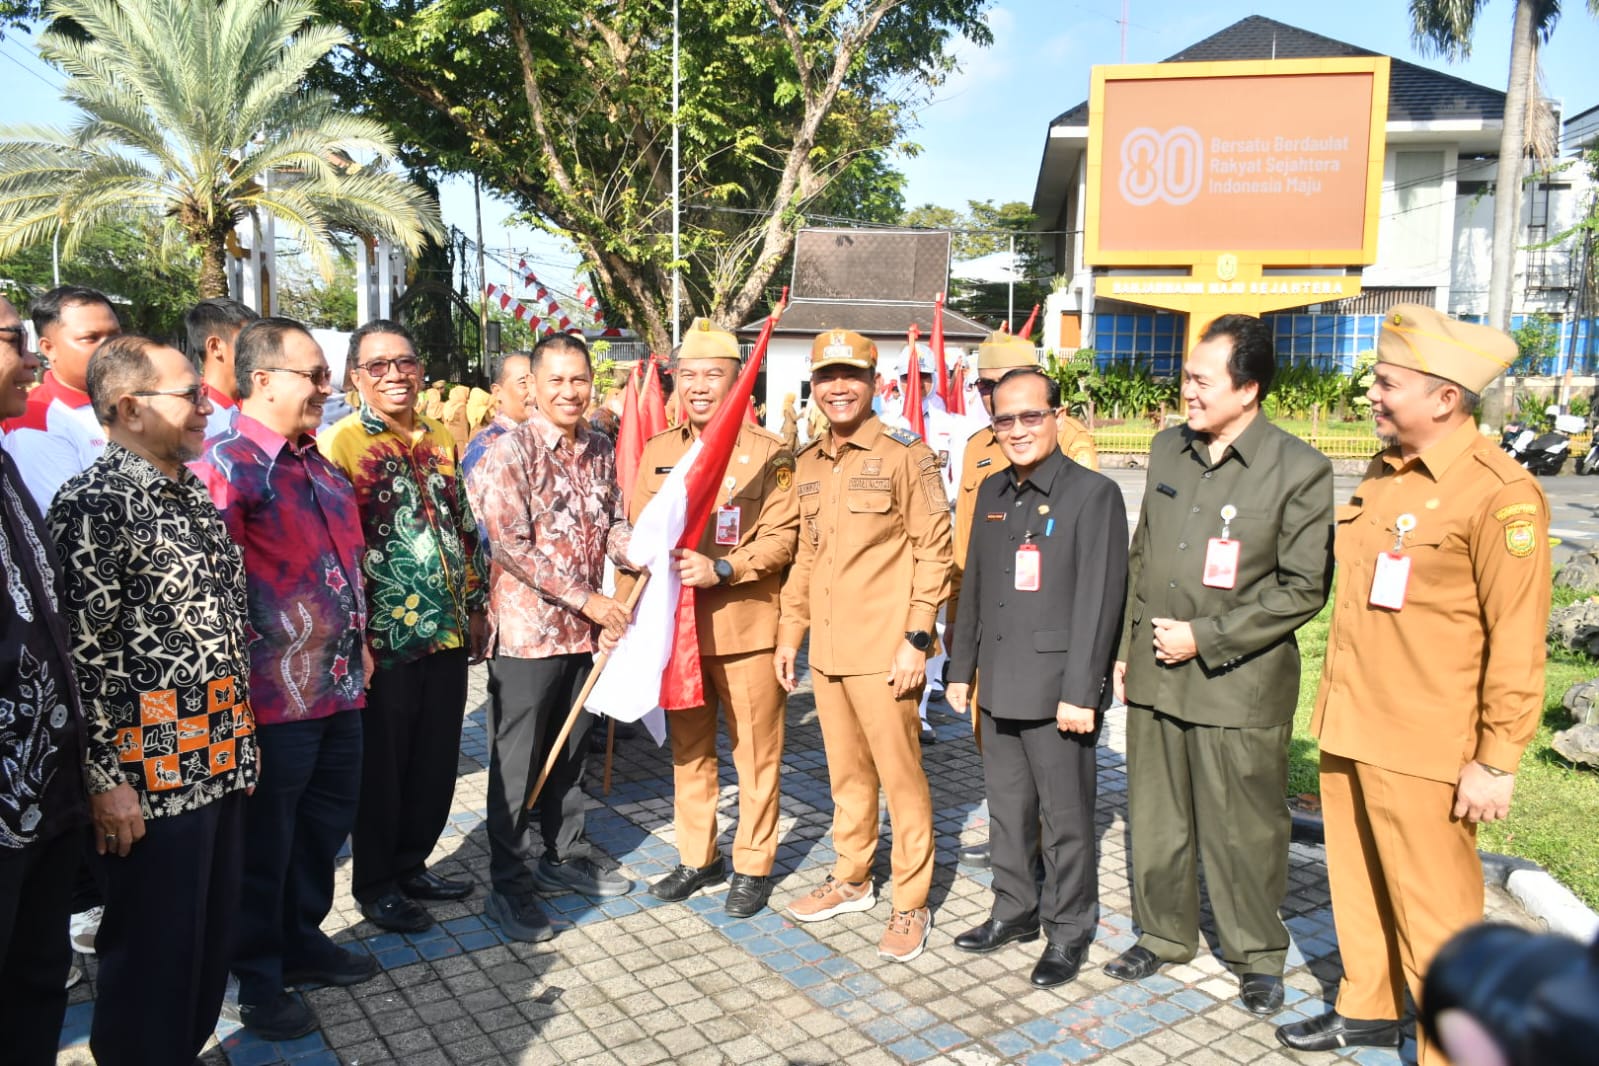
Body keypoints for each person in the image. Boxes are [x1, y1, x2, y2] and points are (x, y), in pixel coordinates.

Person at [1276, 306, 1551, 1063]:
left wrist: (1496, 758)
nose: (1371, 393)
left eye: (1386, 382)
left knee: (1437, 919)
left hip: (1426, 742)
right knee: (1357, 889)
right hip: (1350, 723)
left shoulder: (1501, 493)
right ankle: (1366, 1008)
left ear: (1443, 398)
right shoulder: (1383, 471)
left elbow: (1518, 638)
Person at [1105, 314, 1334, 1016]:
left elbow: (1302, 588)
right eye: (1186, 377)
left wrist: (1205, 638)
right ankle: (1163, 933)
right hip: (1153, 673)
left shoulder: (1299, 469)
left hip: (1237, 685)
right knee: (1156, 816)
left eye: (1202, 380)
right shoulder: (1168, 449)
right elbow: (1141, 554)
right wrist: (1122, 651)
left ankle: (1255, 955)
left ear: (1249, 388)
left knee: (1244, 828)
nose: (1187, 391)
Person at [48, 333, 258, 1066]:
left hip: (220, 755)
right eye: (190, 394)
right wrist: (107, 784)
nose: (207, 407)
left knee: (207, 936)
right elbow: (84, 659)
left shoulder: (188, 489)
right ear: (130, 407)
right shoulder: (91, 504)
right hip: (151, 777)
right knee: (153, 949)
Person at [191, 317, 375, 1040]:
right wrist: (234, 705)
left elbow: (347, 565)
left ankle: (302, 941)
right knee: (264, 846)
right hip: (271, 702)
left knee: (322, 830)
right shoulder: (228, 467)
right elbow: (213, 594)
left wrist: (358, 640)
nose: (327, 389)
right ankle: (255, 977)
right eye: (314, 375)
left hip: (338, 689)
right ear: (261, 379)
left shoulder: (320, 465)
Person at [774, 328, 952, 963]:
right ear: (814, 386)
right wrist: (790, 633)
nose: (838, 387)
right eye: (827, 377)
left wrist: (916, 639)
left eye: (851, 375)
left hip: (886, 651)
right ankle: (852, 878)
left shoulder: (908, 455)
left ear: (874, 383)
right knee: (846, 777)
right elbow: (803, 556)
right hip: (828, 652)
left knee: (901, 779)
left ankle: (911, 900)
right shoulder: (810, 462)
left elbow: (937, 550)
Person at [945, 367, 1125, 988]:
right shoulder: (992, 492)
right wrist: (959, 668)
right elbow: (973, 589)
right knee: (1007, 811)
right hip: (996, 685)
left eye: (1030, 416)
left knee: (1067, 818)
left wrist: (1083, 691)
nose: (1017, 430)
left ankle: (1069, 929)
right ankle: (1014, 910)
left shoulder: (1092, 495)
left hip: (1058, 695)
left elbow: (1100, 604)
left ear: (1057, 416)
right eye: (1004, 420)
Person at [623, 319, 798, 918]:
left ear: (736, 383)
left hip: (745, 630)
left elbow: (783, 537)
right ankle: (699, 857)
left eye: (712, 375)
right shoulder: (660, 450)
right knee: (688, 753)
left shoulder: (770, 454)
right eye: (688, 375)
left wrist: (724, 569)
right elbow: (641, 531)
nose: (699, 386)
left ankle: (753, 863)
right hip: (678, 631)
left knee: (755, 754)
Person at [319, 319, 487, 934]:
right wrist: (355, 634)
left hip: (443, 630)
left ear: (421, 371)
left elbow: (465, 525)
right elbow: (336, 549)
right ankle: (377, 882)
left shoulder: (441, 434)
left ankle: (414, 863)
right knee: (383, 768)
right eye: (378, 366)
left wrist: (476, 605)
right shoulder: (341, 443)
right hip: (384, 640)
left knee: (436, 758)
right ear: (357, 378)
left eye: (406, 362)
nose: (395, 375)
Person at [467, 333, 635, 943]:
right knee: (517, 764)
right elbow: (509, 545)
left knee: (570, 751)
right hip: (527, 635)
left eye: (579, 379)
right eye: (556, 381)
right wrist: (587, 596)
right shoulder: (506, 453)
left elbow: (612, 521)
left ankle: (563, 855)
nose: (569, 391)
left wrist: (638, 548)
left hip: (585, 635)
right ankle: (509, 884)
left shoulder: (599, 447)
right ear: (532, 386)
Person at [948, 330, 1101, 869]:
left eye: (998, 386)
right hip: (992, 635)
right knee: (1001, 777)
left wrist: (1081, 686)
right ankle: (1015, 870)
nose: (994, 402)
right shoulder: (978, 453)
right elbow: (969, 553)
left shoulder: (1071, 450)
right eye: (986, 391)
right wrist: (958, 648)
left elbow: (1084, 572)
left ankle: (1050, 885)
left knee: (1057, 797)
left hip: (1045, 648)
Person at [0, 294, 91, 1064]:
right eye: (13, 338)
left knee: (34, 984)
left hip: (45, 785)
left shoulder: (6, 463)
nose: (28, 354)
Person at [2, 284, 120, 512]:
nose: (110, 348)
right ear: (49, 348)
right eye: (90, 338)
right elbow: (71, 522)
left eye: (115, 335)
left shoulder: (132, 402)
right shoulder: (34, 420)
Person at [186, 297, 259, 439]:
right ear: (215, 347)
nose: (260, 351)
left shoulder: (263, 407)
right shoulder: (193, 418)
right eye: (250, 342)